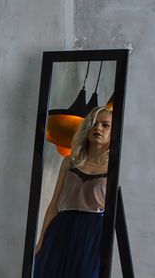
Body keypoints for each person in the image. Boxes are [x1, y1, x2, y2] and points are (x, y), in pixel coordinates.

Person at [34, 106, 112, 278]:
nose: (98, 128)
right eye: (94, 123)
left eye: (105, 125)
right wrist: (40, 241)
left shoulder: (114, 169)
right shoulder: (69, 162)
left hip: (93, 234)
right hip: (62, 229)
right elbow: (54, 204)